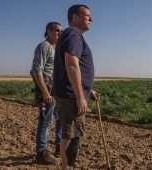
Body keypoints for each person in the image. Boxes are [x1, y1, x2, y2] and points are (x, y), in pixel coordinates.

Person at [53, 4, 98, 170]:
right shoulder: (73, 34)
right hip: (71, 97)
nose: (91, 19)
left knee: (70, 134)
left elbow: (71, 68)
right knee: (72, 136)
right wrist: (80, 96)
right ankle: (67, 167)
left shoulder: (71, 35)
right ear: (75, 17)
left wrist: (88, 90)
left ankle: (67, 166)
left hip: (71, 94)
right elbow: (71, 64)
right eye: (87, 16)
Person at [30, 21, 62, 165]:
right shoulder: (44, 46)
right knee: (46, 121)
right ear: (48, 31)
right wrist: (44, 93)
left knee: (59, 118)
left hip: (55, 88)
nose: (59, 33)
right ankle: (41, 153)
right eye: (56, 30)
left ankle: (59, 147)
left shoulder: (55, 48)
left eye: (61, 31)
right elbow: (36, 70)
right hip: (47, 87)